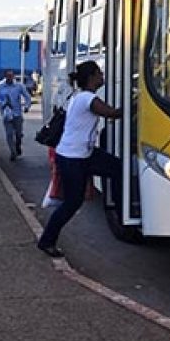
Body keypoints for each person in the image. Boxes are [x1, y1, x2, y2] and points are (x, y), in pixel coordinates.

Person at [37, 61, 121, 258]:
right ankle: (46, 241)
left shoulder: (79, 97)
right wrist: (138, 102)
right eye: (100, 73)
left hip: (83, 154)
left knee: (117, 168)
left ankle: (118, 208)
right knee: (72, 203)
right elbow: (113, 114)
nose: (102, 76)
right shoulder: (87, 98)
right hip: (73, 158)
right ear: (92, 77)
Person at [0, 69, 31, 161]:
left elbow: (27, 96)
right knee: (9, 134)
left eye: (11, 76)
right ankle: (13, 152)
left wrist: (27, 106)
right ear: (5, 76)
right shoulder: (0, 86)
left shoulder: (19, 86)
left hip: (17, 114)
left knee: (18, 134)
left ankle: (17, 145)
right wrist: (4, 103)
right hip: (7, 114)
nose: (10, 78)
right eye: (8, 76)